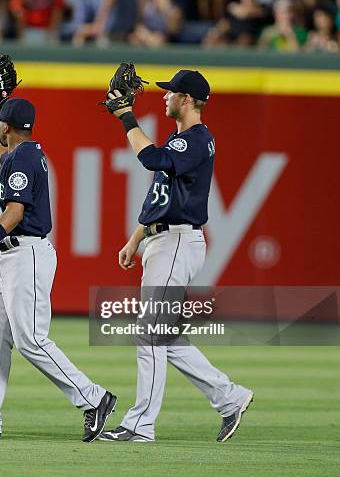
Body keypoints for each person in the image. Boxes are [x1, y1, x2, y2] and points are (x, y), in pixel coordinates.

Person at [0, 96, 116, 442]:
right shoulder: (21, 153)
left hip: (26, 253)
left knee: (31, 340)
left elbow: (14, 213)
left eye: (0, 124)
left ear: (8, 127)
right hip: (11, 258)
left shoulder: (22, 158)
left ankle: (93, 398)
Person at [99, 69, 253, 443]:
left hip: (178, 242)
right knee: (163, 336)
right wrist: (136, 238)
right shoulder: (181, 138)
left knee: (150, 335)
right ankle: (230, 397)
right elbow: (159, 195)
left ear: (187, 99)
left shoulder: (197, 140)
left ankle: (140, 425)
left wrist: (126, 116)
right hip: (163, 240)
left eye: (170, 93)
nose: (164, 97)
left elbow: (150, 159)